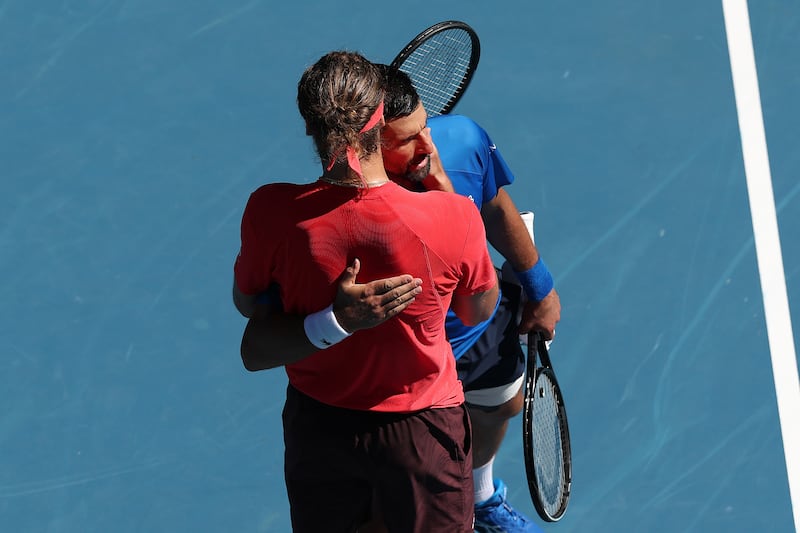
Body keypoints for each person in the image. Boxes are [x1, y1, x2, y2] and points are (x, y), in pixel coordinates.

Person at [232, 51, 499, 533]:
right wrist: (446, 200)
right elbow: (479, 307)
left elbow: (249, 304)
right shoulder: (452, 216)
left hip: (321, 430)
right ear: (382, 121)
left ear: (312, 127)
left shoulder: (269, 210)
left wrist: (322, 314)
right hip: (423, 435)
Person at [378, 66, 561, 533]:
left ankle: (480, 499)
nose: (427, 147)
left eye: (424, 128)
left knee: (500, 404)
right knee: (415, 493)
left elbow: (496, 207)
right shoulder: (353, 212)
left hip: (481, 327)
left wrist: (539, 286)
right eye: (407, 140)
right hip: (411, 364)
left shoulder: (460, 141)